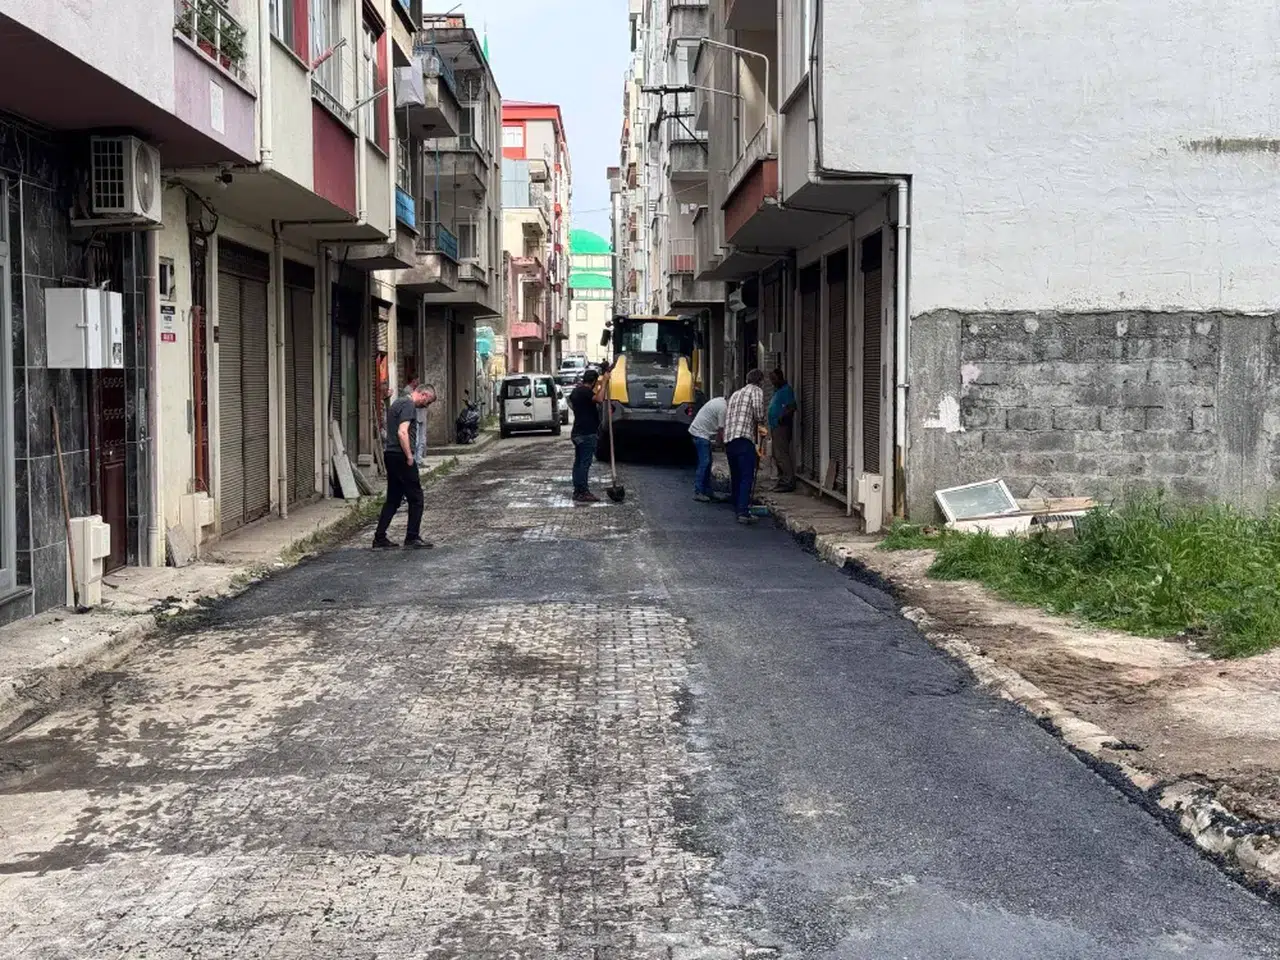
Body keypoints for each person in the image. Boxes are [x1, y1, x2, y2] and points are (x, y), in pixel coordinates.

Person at [373, 382, 436, 549]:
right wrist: (409, 456)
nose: (426, 405)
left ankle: (379, 537)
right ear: (423, 394)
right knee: (416, 497)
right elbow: (402, 432)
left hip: (390, 455)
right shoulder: (408, 405)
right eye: (428, 401)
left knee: (393, 499)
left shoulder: (397, 403)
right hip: (401, 456)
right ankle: (412, 537)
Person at [724, 369, 767, 524]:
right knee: (746, 476)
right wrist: (762, 423)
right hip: (743, 439)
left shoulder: (735, 394)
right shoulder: (756, 391)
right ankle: (743, 512)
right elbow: (758, 412)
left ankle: (737, 505)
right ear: (760, 381)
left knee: (736, 475)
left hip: (729, 440)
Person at [568, 367, 604, 503]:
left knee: (578, 463)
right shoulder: (585, 392)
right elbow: (600, 399)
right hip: (586, 433)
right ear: (594, 381)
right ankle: (582, 491)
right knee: (584, 463)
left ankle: (578, 491)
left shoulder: (576, 391)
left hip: (577, 431)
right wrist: (605, 382)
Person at [687, 396, 727, 502]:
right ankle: (698, 491)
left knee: (708, 463)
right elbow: (721, 430)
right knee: (704, 462)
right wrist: (721, 444)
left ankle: (707, 491)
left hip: (699, 432)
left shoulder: (720, 401)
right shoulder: (724, 408)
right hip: (700, 434)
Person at [768, 368, 797, 492]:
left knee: (781, 454)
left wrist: (781, 418)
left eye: (774, 379)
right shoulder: (778, 390)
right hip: (775, 426)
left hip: (782, 427)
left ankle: (788, 481)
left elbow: (792, 407)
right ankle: (782, 479)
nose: (772, 382)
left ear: (780, 377)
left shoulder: (786, 390)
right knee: (776, 454)